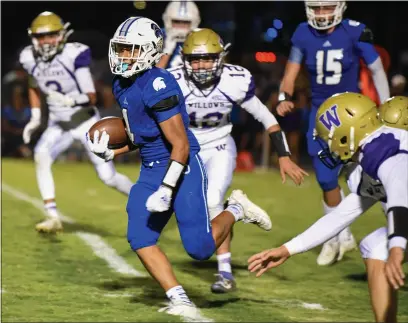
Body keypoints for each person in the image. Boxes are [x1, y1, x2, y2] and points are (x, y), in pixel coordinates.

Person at [86, 17, 272, 320]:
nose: (123, 57)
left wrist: (167, 188)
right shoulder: (122, 83)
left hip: (181, 167)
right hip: (151, 167)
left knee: (199, 250)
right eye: (120, 50)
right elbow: (140, 135)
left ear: (149, 51)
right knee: (139, 236)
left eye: (131, 50)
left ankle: (236, 208)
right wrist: (113, 151)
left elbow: (181, 145)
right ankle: (179, 298)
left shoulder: (159, 84)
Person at [168, 28, 308, 293]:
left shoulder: (234, 80)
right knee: (183, 211)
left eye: (208, 58)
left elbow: (266, 117)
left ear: (221, 57)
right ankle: (236, 210)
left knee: (212, 204)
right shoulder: (174, 81)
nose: (200, 66)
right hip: (188, 150)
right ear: (184, 59)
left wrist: (285, 156)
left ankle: (225, 272)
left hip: (220, 145)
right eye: (195, 59)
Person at [248, 93, 407, 323]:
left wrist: (398, 247)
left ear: (349, 132)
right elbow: (342, 215)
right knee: (374, 247)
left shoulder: (382, 151)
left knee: (381, 248)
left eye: (329, 137)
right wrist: (288, 249)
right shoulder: (372, 153)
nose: (328, 145)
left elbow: (400, 196)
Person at [275, 1, 390, 265]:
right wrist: (284, 96)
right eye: (316, 8)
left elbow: (376, 68)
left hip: (352, 111)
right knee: (326, 179)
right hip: (320, 113)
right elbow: (290, 71)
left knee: (373, 172)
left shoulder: (353, 30)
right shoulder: (303, 33)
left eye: (327, 8)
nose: (322, 14)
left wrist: (385, 106)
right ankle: (339, 235)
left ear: (339, 7)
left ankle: (397, 227)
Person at [19, 11, 133, 233]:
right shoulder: (29, 57)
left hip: (84, 122)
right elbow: (33, 85)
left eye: (51, 35)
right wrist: (35, 117)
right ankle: (52, 215)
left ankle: (142, 198)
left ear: (62, 35)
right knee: (41, 155)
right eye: (41, 37)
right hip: (58, 124)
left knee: (108, 177)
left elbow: (91, 96)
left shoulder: (74, 54)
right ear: (34, 38)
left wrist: (71, 100)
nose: (46, 42)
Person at [156, 0, 200, 69]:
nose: (181, 26)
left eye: (185, 22)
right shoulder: (155, 37)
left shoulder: (201, 39)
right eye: (177, 21)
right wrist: (166, 52)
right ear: (168, 21)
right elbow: (152, 77)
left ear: (194, 23)